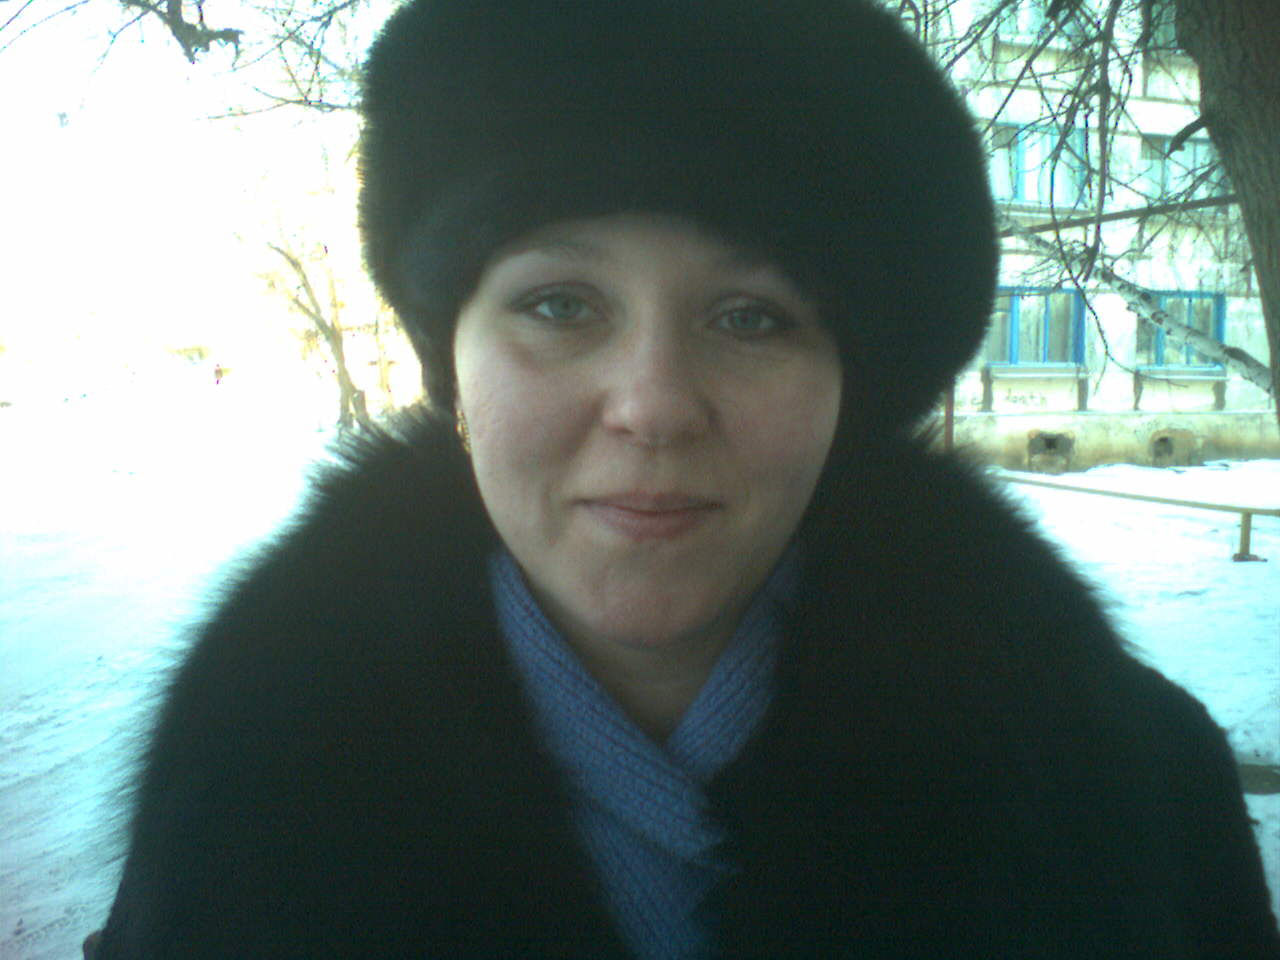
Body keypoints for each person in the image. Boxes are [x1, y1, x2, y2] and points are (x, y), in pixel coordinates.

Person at [90, 0, 1279, 957]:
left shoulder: (1125, 785)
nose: (652, 404)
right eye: (560, 305)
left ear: (847, 387)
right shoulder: (247, 792)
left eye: (750, 316)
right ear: (450, 360)